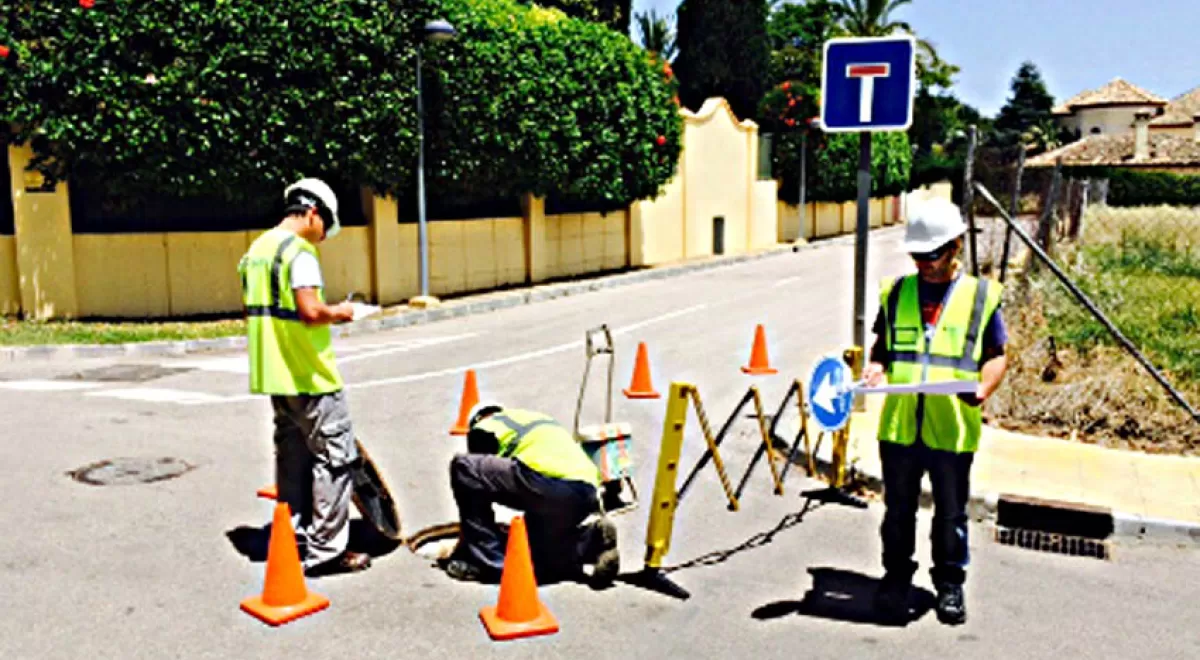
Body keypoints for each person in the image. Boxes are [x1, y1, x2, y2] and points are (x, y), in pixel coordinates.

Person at [863, 197, 1008, 626]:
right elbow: (882, 347)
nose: (925, 263)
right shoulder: (896, 293)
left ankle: (949, 584)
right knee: (898, 511)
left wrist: (984, 387)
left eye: (933, 254)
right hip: (900, 427)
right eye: (918, 255)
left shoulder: (980, 296)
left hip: (952, 429)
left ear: (957, 245)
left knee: (950, 514)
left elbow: (998, 354)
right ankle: (895, 577)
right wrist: (875, 366)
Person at [237, 177, 371, 577]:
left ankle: (293, 534)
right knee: (334, 458)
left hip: (275, 374)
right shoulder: (299, 252)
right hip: (310, 373)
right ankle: (327, 550)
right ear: (313, 212)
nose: (324, 236)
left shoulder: (255, 252)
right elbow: (310, 311)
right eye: (324, 226)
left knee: (292, 457)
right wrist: (344, 312)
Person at [442, 402, 620, 586]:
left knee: (464, 467)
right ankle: (591, 543)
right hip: (585, 493)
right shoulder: (534, 419)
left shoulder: (485, 427)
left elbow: (477, 489)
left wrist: (467, 547)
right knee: (533, 551)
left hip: (545, 485)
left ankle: (490, 565)